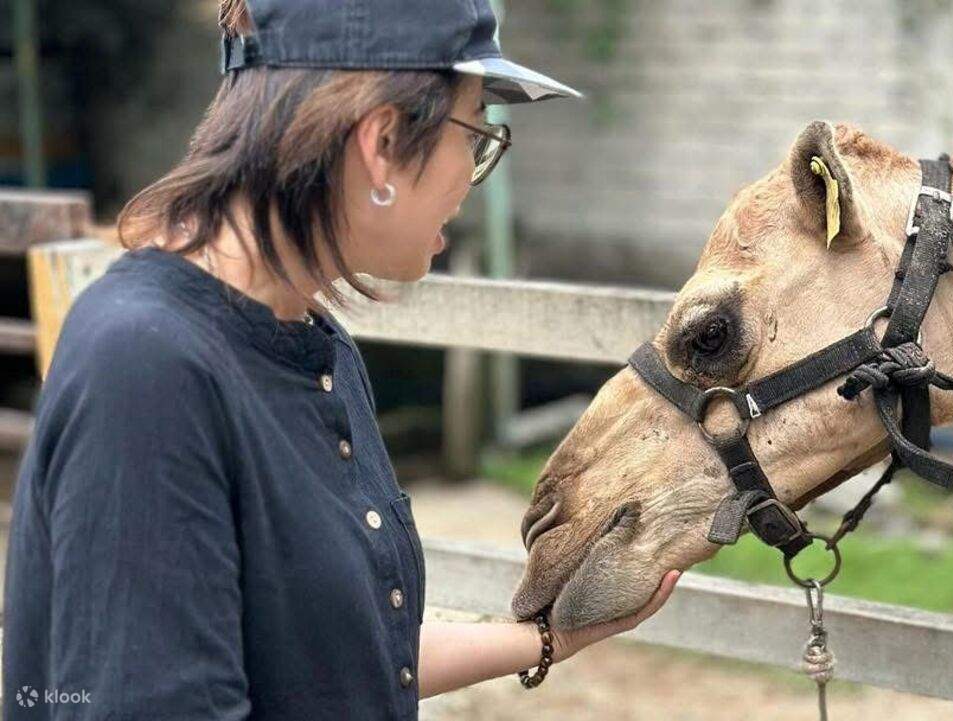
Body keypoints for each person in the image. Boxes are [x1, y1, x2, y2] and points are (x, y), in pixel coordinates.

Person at [2, 1, 681, 718]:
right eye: (477, 133)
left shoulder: (315, 345)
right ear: (382, 141)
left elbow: (342, 659)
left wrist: (549, 636)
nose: (472, 172)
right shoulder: (145, 371)